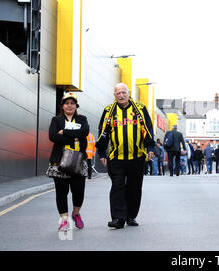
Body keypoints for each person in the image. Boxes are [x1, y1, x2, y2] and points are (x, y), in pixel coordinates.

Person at [96, 83, 155, 229]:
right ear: (114, 95)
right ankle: (118, 218)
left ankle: (130, 216)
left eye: (124, 92)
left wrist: (150, 148)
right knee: (117, 187)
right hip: (116, 157)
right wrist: (102, 153)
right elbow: (103, 131)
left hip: (137, 157)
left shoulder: (140, 109)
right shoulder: (109, 111)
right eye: (118, 93)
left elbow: (148, 128)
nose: (121, 95)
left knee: (134, 188)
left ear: (129, 93)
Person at [46, 92, 89, 231]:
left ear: (76, 106)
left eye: (72, 103)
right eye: (67, 103)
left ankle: (76, 214)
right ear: (62, 106)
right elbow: (52, 136)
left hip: (78, 160)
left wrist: (64, 132)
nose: (69, 106)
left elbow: (85, 132)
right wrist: (74, 138)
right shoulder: (56, 120)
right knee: (61, 193)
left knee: (78, 192)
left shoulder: (82, 119)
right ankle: (64, 220)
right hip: (59, 162)